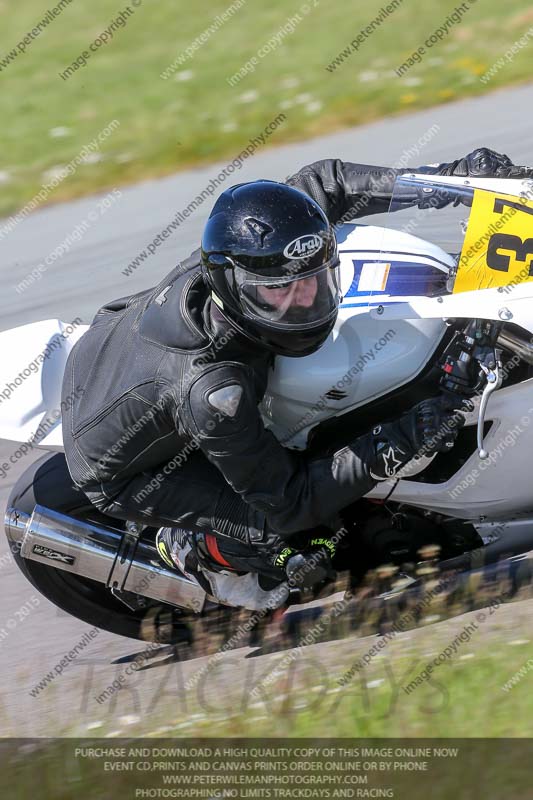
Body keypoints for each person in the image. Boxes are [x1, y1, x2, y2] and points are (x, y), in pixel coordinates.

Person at [61, 147, 530, 609]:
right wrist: (406, 435)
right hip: (128, 470)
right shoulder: (214, 392)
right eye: (279, 292)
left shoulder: (255, 257)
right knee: (285, 531)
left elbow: (326, 182)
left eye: (313, 278)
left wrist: (454, 180)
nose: (303, 300)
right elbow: (289, 500)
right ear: (232, 292)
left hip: (118, 335)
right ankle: (194, 549)